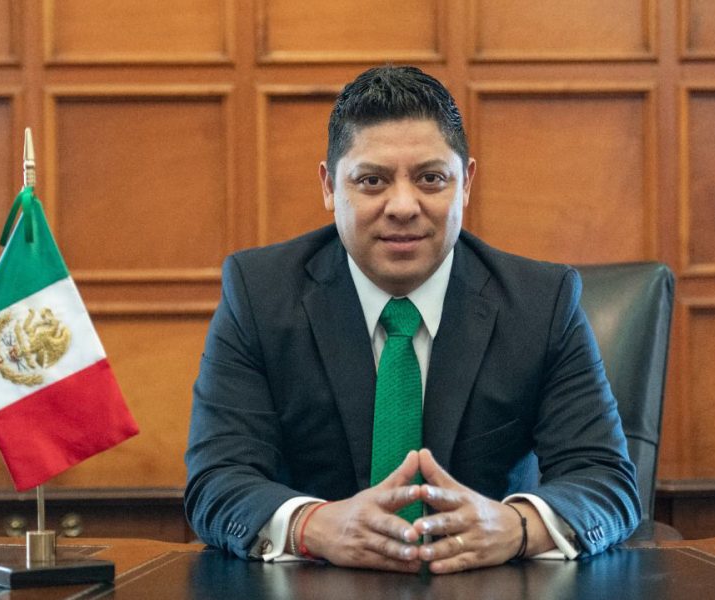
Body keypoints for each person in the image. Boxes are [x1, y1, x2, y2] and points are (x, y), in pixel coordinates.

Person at [185, 65, 639, 574]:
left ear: (465, 183)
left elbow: (606, 481)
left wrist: (516, 528)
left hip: (486, 583)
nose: (403, 206)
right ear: (329, 186)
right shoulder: (259, 294)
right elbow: (218, 480)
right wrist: (312, 526)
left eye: (430, 179)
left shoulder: (541, 302)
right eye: (372, 181)